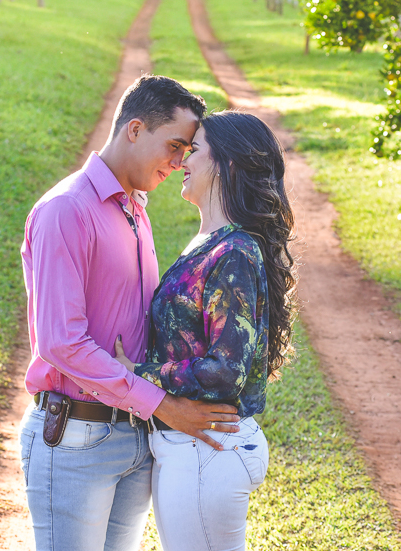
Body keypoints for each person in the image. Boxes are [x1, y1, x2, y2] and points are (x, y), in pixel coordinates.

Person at [19, 75, 242, 551]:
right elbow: (60, 342)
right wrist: (162, 404)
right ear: (135, 130)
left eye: (188, 151)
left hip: (135, 438)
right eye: (175, 146)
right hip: (76, 437)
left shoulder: (134, 208)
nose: (180, 162)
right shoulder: (66, 210)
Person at [115, 110, 297, 551]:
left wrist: (139, 373)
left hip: (206, 452)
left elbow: (225, 371)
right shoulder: (211, 242)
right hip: (195, 449)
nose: (181, 162)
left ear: (227, 165)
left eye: (193, 151)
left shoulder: (234, 250)